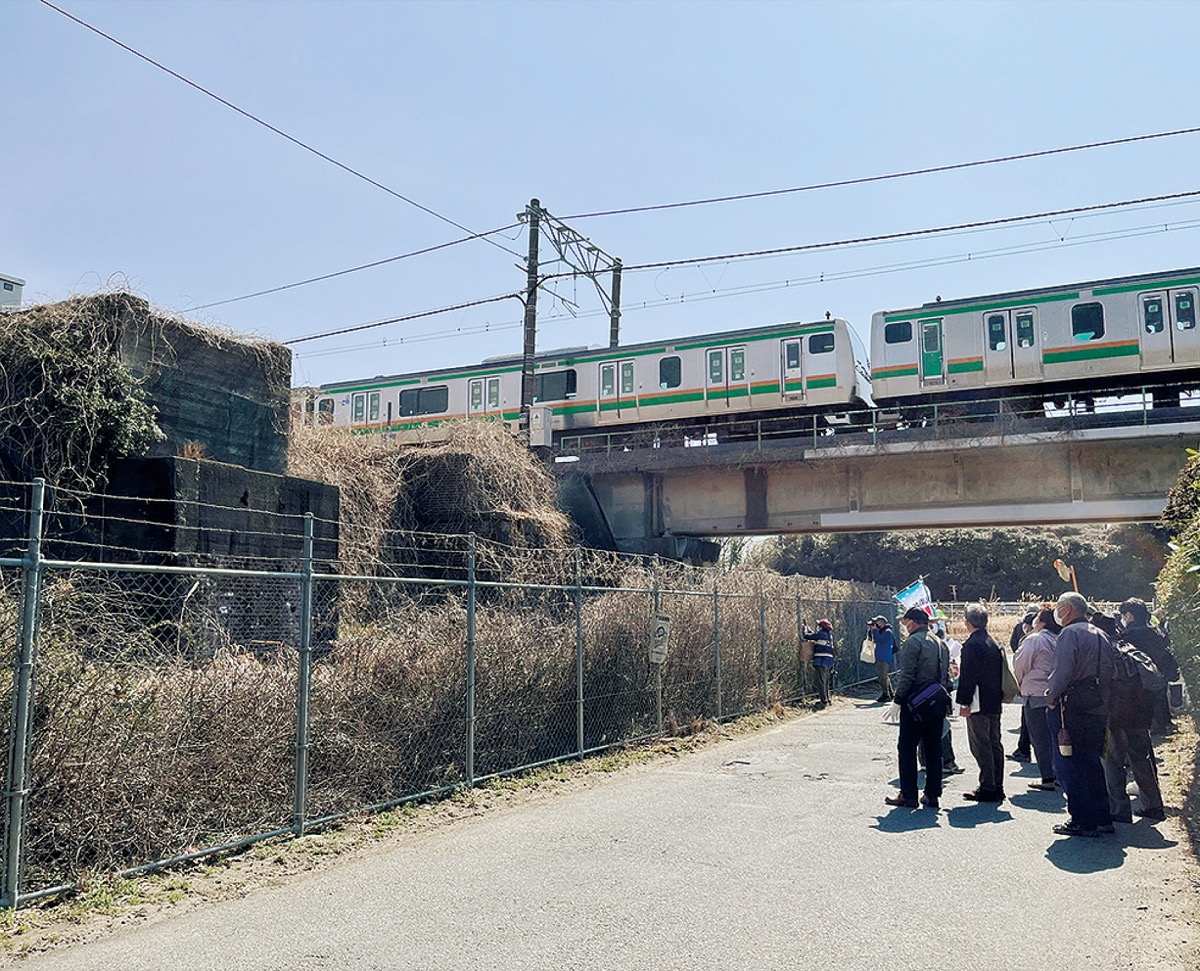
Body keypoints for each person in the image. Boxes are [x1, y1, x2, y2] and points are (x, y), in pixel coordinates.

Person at [1046, 591, 1116, 838]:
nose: (1056, 611)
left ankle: (1082, 820)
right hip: (1097, 706)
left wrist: (1051, 698)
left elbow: (1062, 672)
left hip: (1070, 707)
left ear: (1067, 609)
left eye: (1059, 607)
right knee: (1092, 762)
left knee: (1069, 764)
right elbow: (1110, 671)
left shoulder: (1069, 634)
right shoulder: (1101, 634)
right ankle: (1102, 817)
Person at [885, 608, 951, 810]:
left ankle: (908, 794)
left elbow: (907, 675)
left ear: (912, 622)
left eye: (905, 622)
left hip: (915, 703)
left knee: (906, 748)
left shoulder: (913, 642)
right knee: (933, 748)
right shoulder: (940, 642)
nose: (904, 626)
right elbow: (946, 676)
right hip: (936, 701)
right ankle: (932, 794)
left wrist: (898, 700)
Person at [955, 604, 1006, 802]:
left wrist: (964, 702)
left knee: (980, 744)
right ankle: (997, 785)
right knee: (994, 743)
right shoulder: (992, 642)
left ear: (968, 622)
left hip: (978, 701)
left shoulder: (971, 645)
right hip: (994, 699)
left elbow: (967, 677)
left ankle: (987, 786)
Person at [1013, 607, 1060, 791]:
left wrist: (1019, 683)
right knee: (1054, 736)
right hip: (1055, 692)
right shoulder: (1059, 639)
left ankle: (1047, 776)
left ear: (1042, 622)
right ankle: (1058, 774)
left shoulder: (1034, 639)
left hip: (1035, 692)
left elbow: (1020, 664)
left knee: (1040, 738)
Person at [1118, 598, 1179, 736]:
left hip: (1143, 677)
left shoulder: (1129, 635)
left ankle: (1156, 727)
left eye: (1123, 614)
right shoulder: (1157, 631)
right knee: (1161, 698)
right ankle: (1165, 723)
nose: (1123, 618)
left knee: (1147, 703)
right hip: (1161, 672)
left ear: (1129, 615)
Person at [1008, 609, 1037, 763]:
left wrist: (1018, 683)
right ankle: (1023, 748)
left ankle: (1024, 750)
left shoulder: (1030, 640)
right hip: (1041, 689)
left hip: (1030, 687)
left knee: (1027, 720)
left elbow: (1021, 665)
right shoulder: (1052, 637)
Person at [804, 619, 835, 708]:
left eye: (819, 626)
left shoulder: (821, 634)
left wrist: (805, 629)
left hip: (822, 660)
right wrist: (810, 630)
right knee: (825, 681)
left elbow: (807, 636)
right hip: (829, 661)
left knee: (821, 681)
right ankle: (827, 699)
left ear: (821, 627)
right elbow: (815, 635)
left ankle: (823, 701)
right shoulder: (828, 635)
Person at [867, 616, 896, 702]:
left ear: (882, 622)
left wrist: (875, 630)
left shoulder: (887, 632)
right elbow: (872, 638)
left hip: (884, 656)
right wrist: (871, 630)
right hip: (881, 656)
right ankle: (891, 693)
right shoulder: (882, 631)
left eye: (877, 622)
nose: (876, 624)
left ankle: (886, 695)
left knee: (882, 677)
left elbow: (879, 640)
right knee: (884, 676)